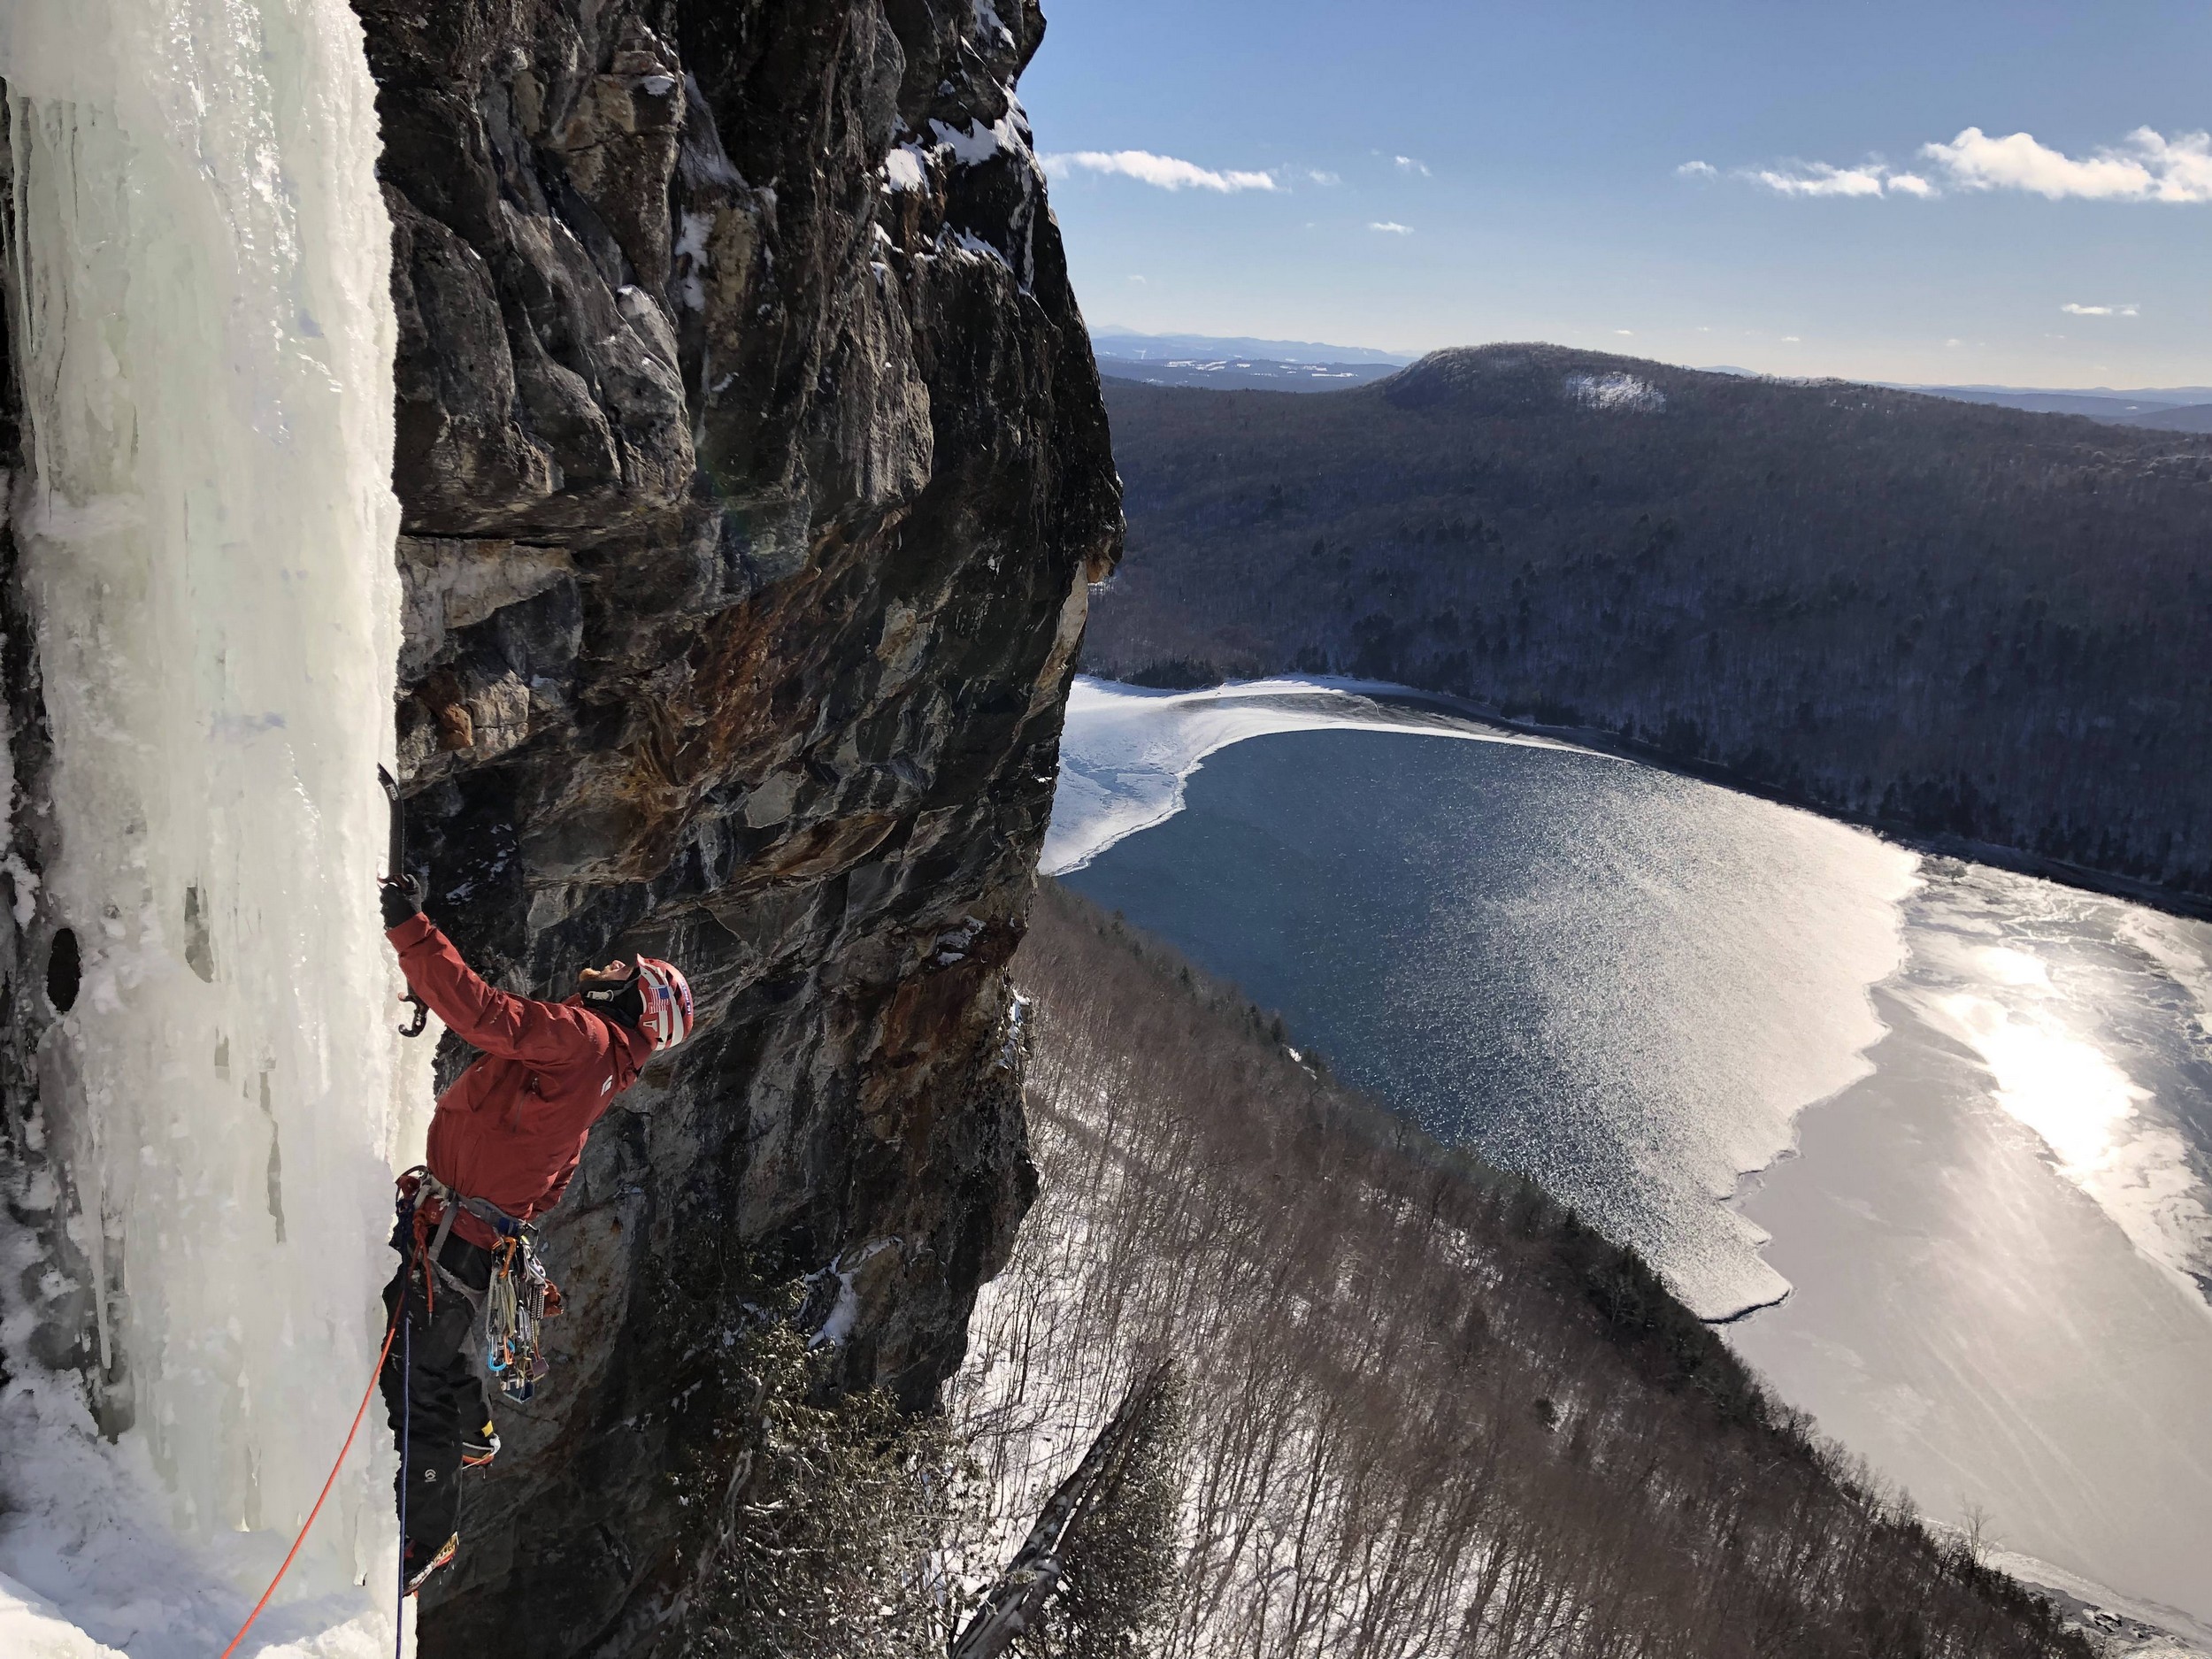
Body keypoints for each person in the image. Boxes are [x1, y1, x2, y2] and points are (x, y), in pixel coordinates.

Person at [376, 872, 694, 1595]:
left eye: (625, 972)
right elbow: (557, 1172)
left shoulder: (584, 1039)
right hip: (471, 1232)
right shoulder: (605, 1073)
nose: (610, 968)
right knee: (424, 1344)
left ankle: (427, 1534)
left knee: (412, 1371)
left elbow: (486, 1015)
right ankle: (471, 1426)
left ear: (639, 1000)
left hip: (458, 1230)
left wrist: (410, 928)